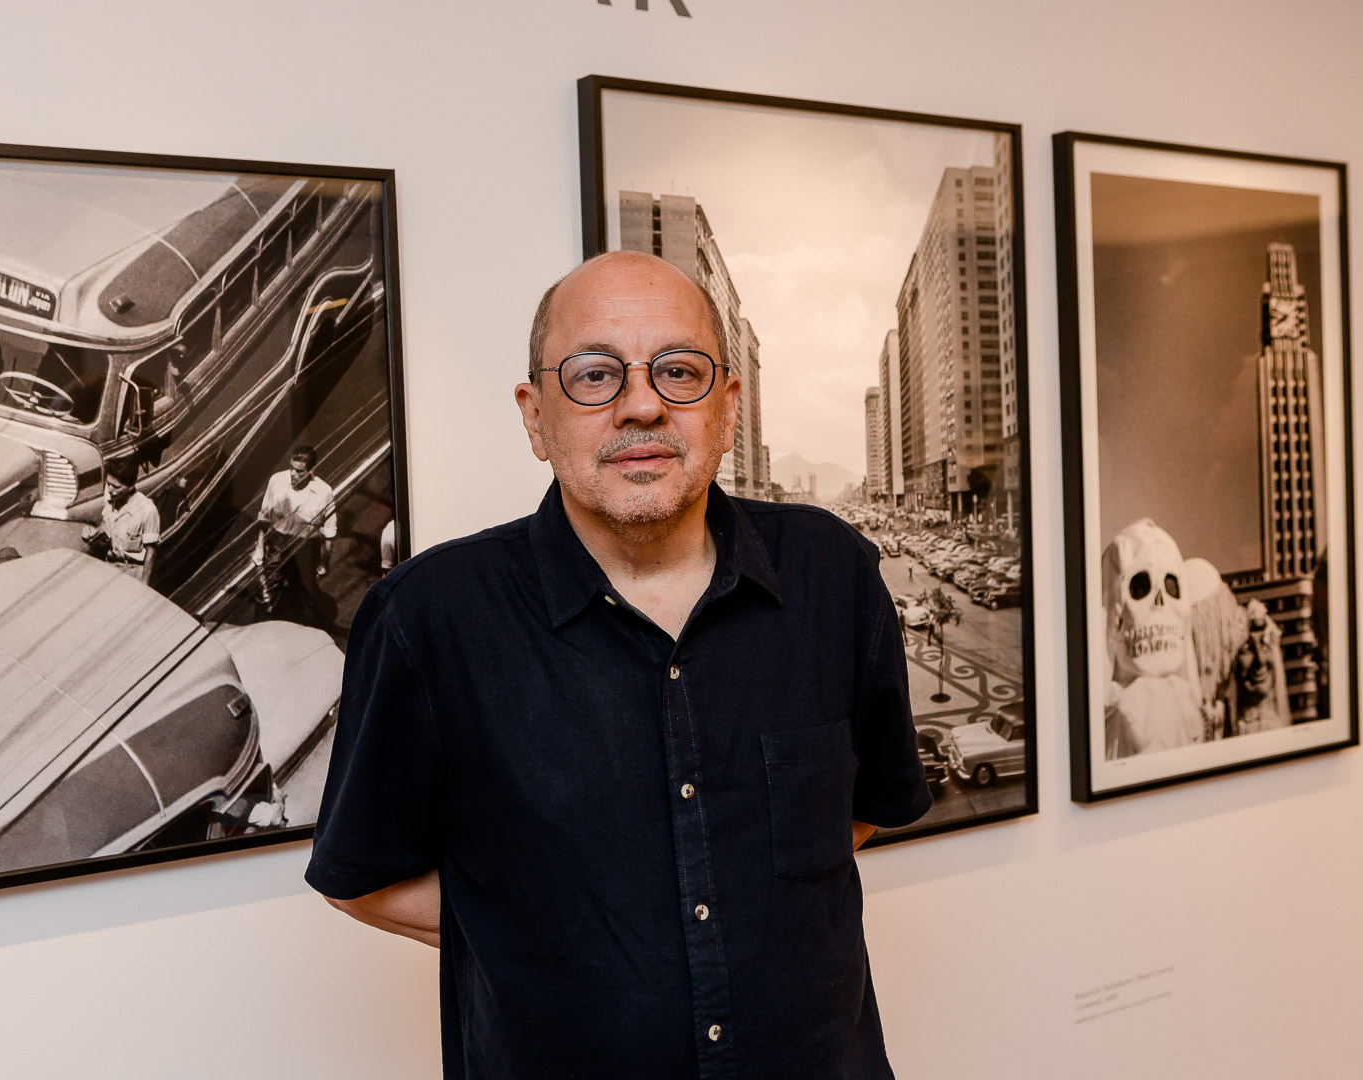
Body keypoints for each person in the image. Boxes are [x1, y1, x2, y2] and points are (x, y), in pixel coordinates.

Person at [306, 251, 932, 1078]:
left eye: (679, 371)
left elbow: (858, 811)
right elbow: (362, 878)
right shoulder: (427, 619)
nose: (642, 405)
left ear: (728, 408)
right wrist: (546, 931)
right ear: (535, 416)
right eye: (596, 375)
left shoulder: (833, 575)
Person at [254, 445, 338, 625]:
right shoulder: (277, 481)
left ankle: (309, 627)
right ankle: (261, 625)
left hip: (305, 546)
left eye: (299, 471)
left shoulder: (324, 492)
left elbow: (329, 532)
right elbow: (264, 517)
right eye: (292, 468)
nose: (293, 474)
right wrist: (259, 547)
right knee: (267, 589)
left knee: (305, 591)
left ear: (311, 470)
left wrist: (325, 562)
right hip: (277, 540)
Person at [81, 460, 159, 582]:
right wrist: (93, 532)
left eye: (116, 487)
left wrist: (144, 584)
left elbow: (151, 553)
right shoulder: (111, 501)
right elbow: (106, 526)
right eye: (108, 484)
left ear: (130, 486)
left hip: (133, 572)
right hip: (110, 567)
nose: (110, 490)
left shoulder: (147, 510)